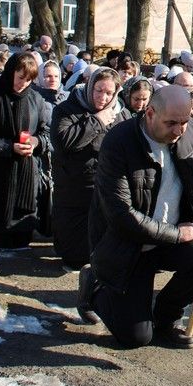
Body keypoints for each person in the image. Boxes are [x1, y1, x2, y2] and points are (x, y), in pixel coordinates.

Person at [84, 86, 193, 348]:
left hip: (172, 236)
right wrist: (178, 234)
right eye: (172, 123)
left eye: (185, 122)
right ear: (150, 113)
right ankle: (92, 287)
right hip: (128, 246)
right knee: (135, 338)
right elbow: (122, 216)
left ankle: (166, 321)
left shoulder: (190, 134)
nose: (179, 130)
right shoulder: (119, 142)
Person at [0, 52, 52, 249]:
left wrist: (36, 142)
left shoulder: (36, 100)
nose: (24, 83)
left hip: (25, 179)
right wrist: (8, 147)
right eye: (20, 77)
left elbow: (46, 133)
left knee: (21, 242)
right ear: (10, 73)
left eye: (29, 79)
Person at [51, 67, 128, 272]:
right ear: (90, 87)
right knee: (74, 250)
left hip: (105, 185)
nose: (103, 97)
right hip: (73, 187)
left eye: (109, 93)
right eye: (98, 90)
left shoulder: (120, 114)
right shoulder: (67, 109)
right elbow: (64, 142)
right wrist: (97, 120)